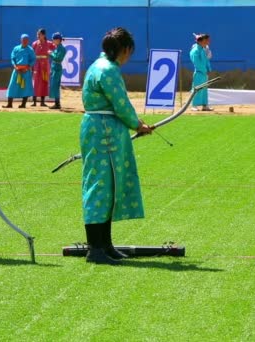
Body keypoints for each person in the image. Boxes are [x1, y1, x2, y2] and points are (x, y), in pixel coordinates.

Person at [80, 27, 152, 265]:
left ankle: (105, 245)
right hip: (104, 132)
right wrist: (137, 125)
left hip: (103, 130)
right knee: (100, 187)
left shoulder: (99, 66)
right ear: (124, 50)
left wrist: (135, 123)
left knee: (107, 187)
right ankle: (95, 248)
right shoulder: (108, 70)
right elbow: (121, 104)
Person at [4, 34, 36, 109]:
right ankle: (9, 104)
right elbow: (12, 58)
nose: (25, 41)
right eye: (23, 40)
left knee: (25, 87)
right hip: (17, 70)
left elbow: (33, 60)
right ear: (21, 40)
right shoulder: (16, 48)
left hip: (26, 71)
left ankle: (23, 104)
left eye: (26, 40)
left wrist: (27, 67)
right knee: (12, 86)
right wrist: (15, 66)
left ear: (28, 41)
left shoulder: (30, 50)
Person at [31, 28, 56, 107]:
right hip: (36, 64)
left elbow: (56, 49)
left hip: (45, 65)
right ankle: (34, 101)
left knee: (44, 82)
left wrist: (51, 54)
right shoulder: (35, 44)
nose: (38, 36)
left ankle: (42, 101)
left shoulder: (49, 43)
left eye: (39, 34)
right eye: (37, 34)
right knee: (35, 82)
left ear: (44, 35)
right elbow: (32, 55)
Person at [190, 33, 213, 111]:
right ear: (201, 41)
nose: (208, 41)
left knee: (204, 90)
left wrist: (209, 69)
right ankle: (194, 105)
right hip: (199, 73)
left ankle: (205, 105)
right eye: (206, 40)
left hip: (204, 73)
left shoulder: (203, 49)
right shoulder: (195, 51)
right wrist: (204, 70)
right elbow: (197, 63)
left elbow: (206, 60)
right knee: (196, 89)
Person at [48, 32, 67, 110]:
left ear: (58, 40)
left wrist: (51, 54)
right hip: (54, 67)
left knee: (55, 85)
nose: (53, 41)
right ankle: (56, 102)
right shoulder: (57, 48)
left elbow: (58, 58)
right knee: (53, 85)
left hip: (57, 67)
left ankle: (57, 103)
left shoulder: (62, 49)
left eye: (54, 40)